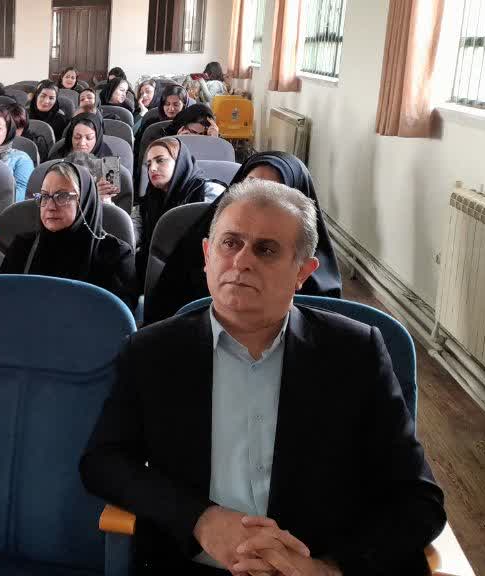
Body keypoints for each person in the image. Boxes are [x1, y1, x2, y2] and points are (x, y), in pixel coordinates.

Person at [81, 177, 446, 575]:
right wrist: (200, 519)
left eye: (266, 249)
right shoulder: (153, 352)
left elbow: (419, 500)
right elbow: (104, 461)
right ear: (207, 255)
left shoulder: (355, 353)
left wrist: (330, 568)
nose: (241, 261)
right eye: (230, 243)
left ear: (302, 271)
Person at [144, 151, 343, 324]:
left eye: (267, 250)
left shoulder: (320, 299)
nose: (241, 262)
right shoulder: (194, 248)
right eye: (251, 186)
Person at [0, 160, 136, 309]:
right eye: (45, 196)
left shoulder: (115, 254)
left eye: (62, 196)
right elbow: (0, 302)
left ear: (84, 201)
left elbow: (119, 317)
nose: (50, 206)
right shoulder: (23, 246)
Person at [136, 136, 225, 280]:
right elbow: (131, 234)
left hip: (202, 273)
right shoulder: (148, 200)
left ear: (180, 163)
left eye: (160, 160)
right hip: (155, 274)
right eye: (149, 163)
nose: (152, 168)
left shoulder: (209, 192)